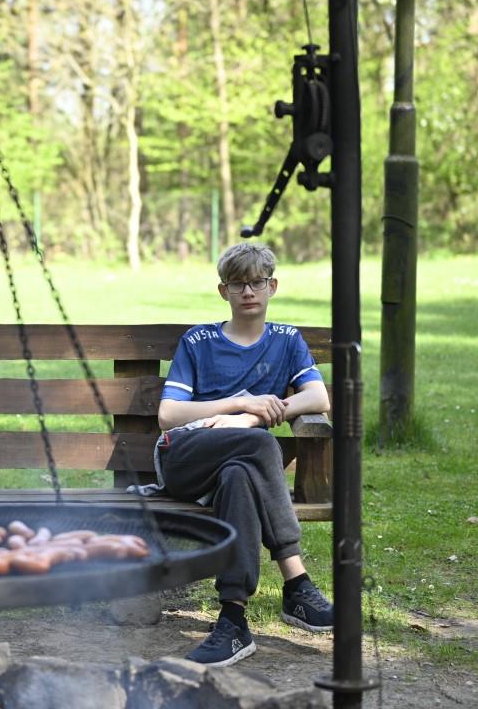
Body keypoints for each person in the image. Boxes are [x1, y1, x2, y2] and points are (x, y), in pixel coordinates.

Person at [156, 242, 333, 667]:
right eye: (238, 284)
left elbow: (318, 395)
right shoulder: (199, 341)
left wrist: (251, 421)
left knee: (240, 473)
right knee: (257, 446)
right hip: (185, 455)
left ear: (272, 286)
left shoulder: (287, 340)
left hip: (237, 460)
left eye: (257, 282)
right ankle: (296, 582)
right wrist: (239, 405)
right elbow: (169, 415)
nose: (248, 291)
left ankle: (233, 618)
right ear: (224, 291)